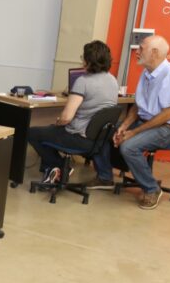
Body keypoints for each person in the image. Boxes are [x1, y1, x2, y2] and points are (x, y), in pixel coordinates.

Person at [112, 35, 170, 210]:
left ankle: (152, 188)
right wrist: (124, 126)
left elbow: (167, 114)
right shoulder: (146, 73)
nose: (137, 52)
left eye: (141, 49)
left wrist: (133, 132)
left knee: (129, 146)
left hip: (167, 128)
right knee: (111, 130)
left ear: (154, 53)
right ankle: (103, 177)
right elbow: (138, 106)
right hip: (147, 123)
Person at [27, 40, 118, 186]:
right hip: (98, 139)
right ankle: (52, 169)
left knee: (32, 132)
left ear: (88, 61)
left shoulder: (83, 81)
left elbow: (66, 118)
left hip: (78, 138)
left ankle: (61, 165)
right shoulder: (112, 80)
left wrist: (59, 122)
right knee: (49, 132)